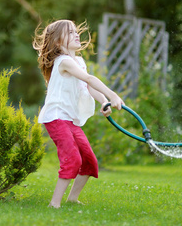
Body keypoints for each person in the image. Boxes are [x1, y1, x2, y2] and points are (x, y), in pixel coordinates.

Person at [33, 19, 124, 208]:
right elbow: (90, 78)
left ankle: (72, 199)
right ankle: (54, 204)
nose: (76, 34)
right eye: (70, 32)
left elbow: (87, 86)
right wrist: (112, 94)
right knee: (72, 160)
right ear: (58, 42)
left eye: (76, 31)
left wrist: (104, 101)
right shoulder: (64, 62)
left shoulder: (79, 61)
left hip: (70, 120)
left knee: (89, 161)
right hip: (57, 118)